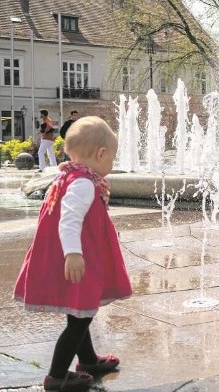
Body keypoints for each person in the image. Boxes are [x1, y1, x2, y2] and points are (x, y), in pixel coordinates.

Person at [14, 116, 132, 391]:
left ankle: (88, 360)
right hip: (79, 256)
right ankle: (57, 375)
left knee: (80, 310)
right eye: (112, 159)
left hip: (79, 252)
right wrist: (73, 254)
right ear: (101, 154)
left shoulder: (69, 175)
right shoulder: (82, 183)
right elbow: (69, 219)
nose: (112, 165)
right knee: (80, 319)